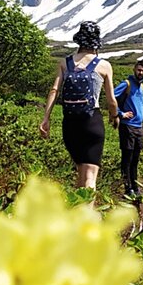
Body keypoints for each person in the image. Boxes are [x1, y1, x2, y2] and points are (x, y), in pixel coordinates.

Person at [39, 22, 120, 190]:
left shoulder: (65, 63)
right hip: (92, 123)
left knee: (81, 172)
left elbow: (55, 90)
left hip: (70, 124)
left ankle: (76, 210)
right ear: (96, 43)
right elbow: (112, 101)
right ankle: (86, 214)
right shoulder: (104, 66)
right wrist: (114, 116)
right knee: (90, 176)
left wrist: (46, 118)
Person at [113, 60, 143, 198]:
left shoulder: (141, 85)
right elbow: (111, 98)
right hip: (127, 126)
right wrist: (121, 114)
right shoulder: (126, 84)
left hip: (138, 127)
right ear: (134, 69)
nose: (141, 73)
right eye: (139, 70)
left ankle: (135, 186)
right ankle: (127, 188)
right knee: (127, 157)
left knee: (135, 158)